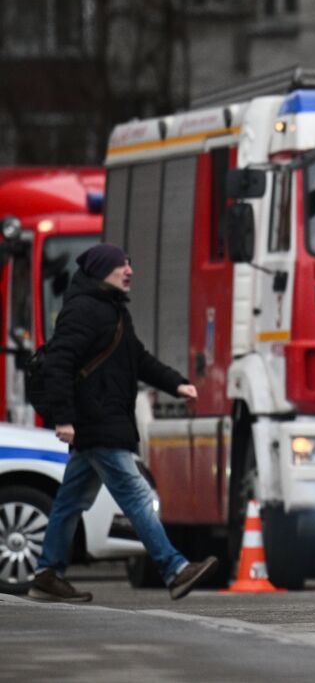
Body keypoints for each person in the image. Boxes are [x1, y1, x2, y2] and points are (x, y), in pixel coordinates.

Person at [28, 243, 219, 603]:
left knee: (70, 503)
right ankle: (175, 569)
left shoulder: (113, 310)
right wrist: (64, 418)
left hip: (102, 422)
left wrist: (176, 383)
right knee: (136, 496)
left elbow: (138, 358)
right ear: (101, 270)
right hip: (98, 423)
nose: (129, 270)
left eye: (129, 263)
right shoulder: (83, 311)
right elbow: (59, 364)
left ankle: (47, 575)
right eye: (120, 265)